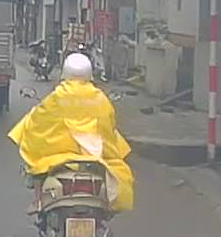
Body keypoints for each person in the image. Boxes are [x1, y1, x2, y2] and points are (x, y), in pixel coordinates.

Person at [7, 53, 135, 216]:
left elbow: (38, 123)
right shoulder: (100, 98)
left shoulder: (58, 96)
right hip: (94, 157)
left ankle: (38, 200)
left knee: (35, 163)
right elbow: (108, 127)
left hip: (58, 158)